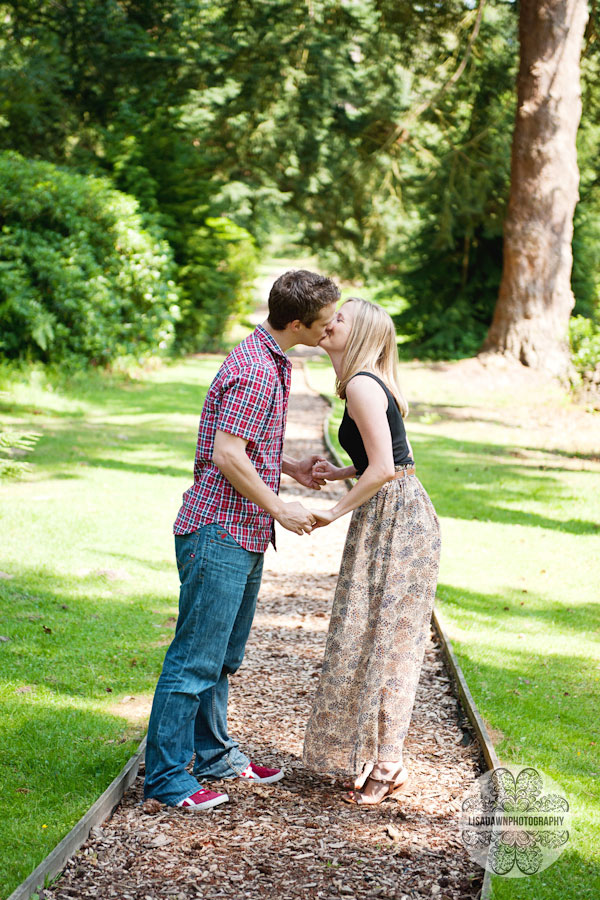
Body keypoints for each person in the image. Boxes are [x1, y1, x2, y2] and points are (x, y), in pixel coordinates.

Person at [144, 270, 339, 811]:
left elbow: (242, 448)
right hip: (219, 531)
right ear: (296, 322)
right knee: (194, 661)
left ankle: (213, 755)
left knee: (222, 658)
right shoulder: (256, 370)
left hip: (241, 531)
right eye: (324, 323)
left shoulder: (269, 357)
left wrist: (293, 468)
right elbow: (228, 456)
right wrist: (280, 505)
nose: (331, 331)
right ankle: (165, 780)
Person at [303, 297, 441, 805]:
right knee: (370, 633)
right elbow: (384, 459)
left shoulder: (362, 384)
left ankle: (390, 764)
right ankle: (380, 754)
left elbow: (385, 468)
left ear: (358, 334)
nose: (328, 321)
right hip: (391, 511)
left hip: (398, 517)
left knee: (389, 640)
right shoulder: (358, 385)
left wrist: (333, 511)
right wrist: (339, 472)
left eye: (339, 318)